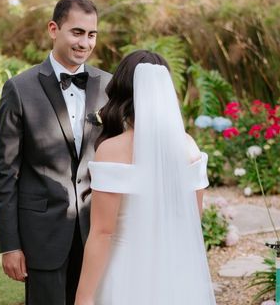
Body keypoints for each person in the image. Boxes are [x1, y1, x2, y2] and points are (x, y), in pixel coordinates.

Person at [0, 0, 112, 305]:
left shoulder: (109, 86)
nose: (84, 42)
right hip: (41, 236)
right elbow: (5, 172)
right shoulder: (20, 89)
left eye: (91, 34)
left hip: (96, 232)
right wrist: (9, 245)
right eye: (77, 32)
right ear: (53, 29)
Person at [74, 50, 216, 305]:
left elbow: (103, 232)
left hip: (125, 275)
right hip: (175, 276)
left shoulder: (112, 150)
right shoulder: (189, 147)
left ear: (122, 93)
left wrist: (84, 296)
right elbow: (192, 223)